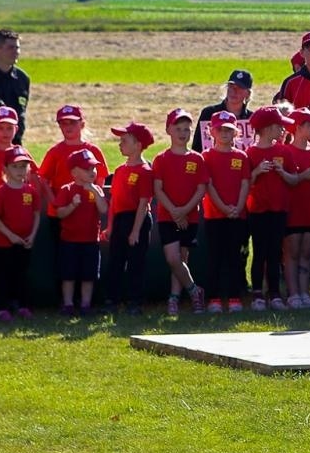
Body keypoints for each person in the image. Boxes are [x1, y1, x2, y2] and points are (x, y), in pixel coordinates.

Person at [152, 109, 209, 315]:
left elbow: (201, 189)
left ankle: (174, 298)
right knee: (173, 258)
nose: (183, 133)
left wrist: (185, 211)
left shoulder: (197, 159)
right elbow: (158, 189)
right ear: (168, 130)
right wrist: (175, 211)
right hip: (168, 216)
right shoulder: (161, 159)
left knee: (182, 259)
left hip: (190, 217)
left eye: (186, 129)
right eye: (178, 128)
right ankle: (195, 290)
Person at [200, 112, 251, 314]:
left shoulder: (241, 156)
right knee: (215, 257)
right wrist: (223, 207)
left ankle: (234, 296)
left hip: (237, 216)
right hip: (214, 216)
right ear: (212, 131)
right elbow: (208, 185)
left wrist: (238, 207)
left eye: (228, 130)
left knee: (234, 258)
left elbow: (245, 183)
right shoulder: (206, 157)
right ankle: (213, 297)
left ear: (236, 132)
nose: (224, 133)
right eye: (220, 129)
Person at [103, 121, 155, 314]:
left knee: (136, 262)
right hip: (120, 219)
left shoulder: (145, 170)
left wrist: (135, 231)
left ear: (138, 145)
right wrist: (110, 226)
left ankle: (135, 301)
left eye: (125, 140)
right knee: (115, 261)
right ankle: (112, 300)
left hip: (138, 220)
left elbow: (144, 202)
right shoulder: (119, 170)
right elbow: (114, 200)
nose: (120, 144)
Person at [245, 108, 292, 311]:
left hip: (278, 208)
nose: (282, 129)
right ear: (266, 129)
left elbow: (292, 179)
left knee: (275, 252)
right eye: (279, 126)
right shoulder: (251, 153)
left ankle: (274, 293)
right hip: (258, 210)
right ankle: (257, 293)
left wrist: (282, 172)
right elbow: (246, 182)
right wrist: (256, 171)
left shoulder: (283, 151)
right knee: (260, 251)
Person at [280, 107, 310, 308]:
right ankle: (293, 294)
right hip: (293, 209)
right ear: (298, 128)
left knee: (306, 253)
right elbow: (284, 180)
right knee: (291, 252)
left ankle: (304, 293)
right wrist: (303, 176)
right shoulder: (285, 151)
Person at [0, 147, 42, 321]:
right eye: (15, 166)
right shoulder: (1, 192)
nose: (20, 171)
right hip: (5, 242)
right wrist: (9, 235)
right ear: (5, 169)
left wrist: (32, 236)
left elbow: (36, 214)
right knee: (3, 274)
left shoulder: (31, 191)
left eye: (23, 166)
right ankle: (2, 307)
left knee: (22, 274)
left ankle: (24, 306)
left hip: (25, 241)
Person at [37, 105, 108, 226]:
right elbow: (43, 179)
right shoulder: (55, 151)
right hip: (60, 211)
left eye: (72, 123)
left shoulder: (93, 150)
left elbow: (100, 177)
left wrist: (94, 198)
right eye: (64, 123)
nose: (68, 127)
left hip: (86, 209)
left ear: (82, 124)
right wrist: (54, 202)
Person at [55, 147, 105, 315]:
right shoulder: (67, 190)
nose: (92, 172)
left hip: (91, 240)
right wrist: (72, 205)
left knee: (88, 276)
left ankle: (85, 304)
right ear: (74, 172)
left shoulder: (96, 189)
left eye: (94, 168)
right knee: (68, 274)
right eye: (87, 169)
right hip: (69, 240)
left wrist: (94, 192)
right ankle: (68, 304)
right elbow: (60, 213)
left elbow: (104, 209)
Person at [193, 70, 255, 152]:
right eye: (231, 86)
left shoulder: (252, 118)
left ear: (248, 93)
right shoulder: (208, 113)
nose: (234, 91)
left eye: (240, 88)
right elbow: (197, 147)